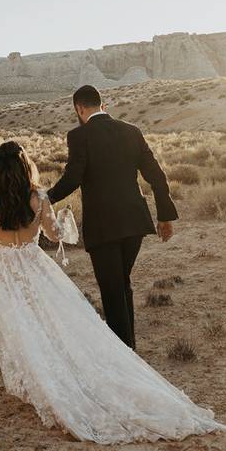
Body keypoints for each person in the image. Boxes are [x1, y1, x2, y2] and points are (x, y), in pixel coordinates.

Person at [0, 141, 226, 443]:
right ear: (26, 166)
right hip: (36, 268)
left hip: (5, 273)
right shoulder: (38, 197)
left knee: (22, 327)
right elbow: (55, 235)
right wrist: (60, 222)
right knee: (50, 323)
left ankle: (39, 382)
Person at [47, 84, 177, 349]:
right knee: (121, 284)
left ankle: (125, 355)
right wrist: (164, 216)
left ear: (79, 109)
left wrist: (43, 199)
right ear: (103, 106)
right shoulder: (132, 131)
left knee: (113, 289)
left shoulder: (79, 136)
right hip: (134, 221)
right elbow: (156, 176)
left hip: (103, 225)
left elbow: (73, 178)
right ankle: (129, 349)